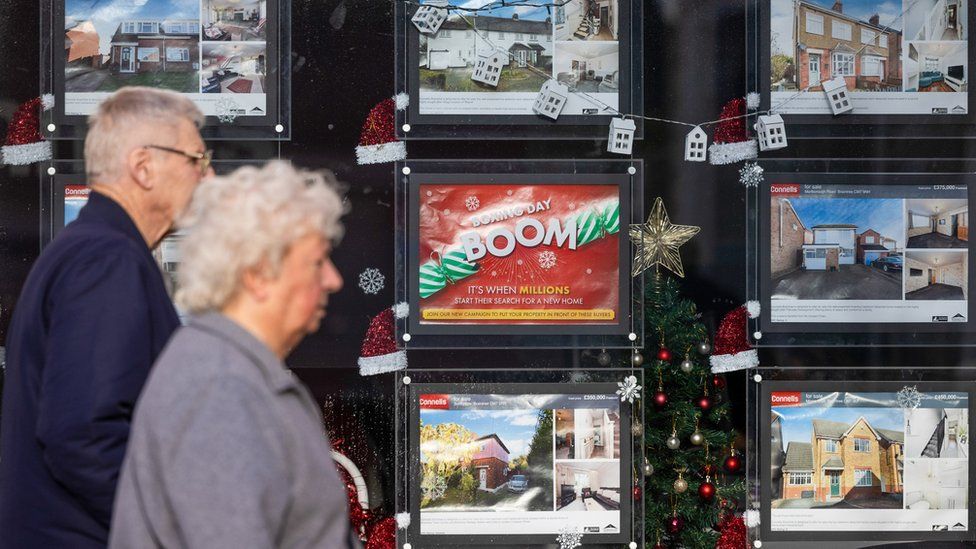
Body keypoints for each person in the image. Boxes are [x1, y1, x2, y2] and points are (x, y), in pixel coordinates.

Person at [0, 87, 210, 548]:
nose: (207, 176)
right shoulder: (107, 259)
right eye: (197, 159)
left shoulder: (89, 249)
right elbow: (82, 436)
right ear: (143, 166)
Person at [110, 161, 358, 548]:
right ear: (258, 275)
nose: (333, 279)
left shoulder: (233, 370)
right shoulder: (219, 387)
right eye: (316, 262)